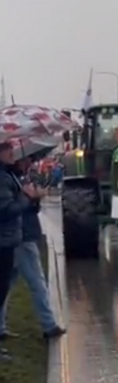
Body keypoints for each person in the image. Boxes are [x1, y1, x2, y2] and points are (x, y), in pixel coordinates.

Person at [0, 155, 65, 341]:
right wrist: (28, 196)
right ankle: (49, 325)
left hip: (18, 235)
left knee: (7, 284)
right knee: (37, 282)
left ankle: (0, 326)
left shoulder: (13, 176)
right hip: (22, 236)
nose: (28, 163)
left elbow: (25, 207)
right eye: (25, 159)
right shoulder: (6, 178)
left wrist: (34, 199)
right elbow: (10, 209)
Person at [0, 142, 39, 359]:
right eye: (8, 150)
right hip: (3, 241)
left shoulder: (8, 175)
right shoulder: (2, 178)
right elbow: (6, 210)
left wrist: (30, 197)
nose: (12, 154)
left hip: (8, 241)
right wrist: (25, 197)